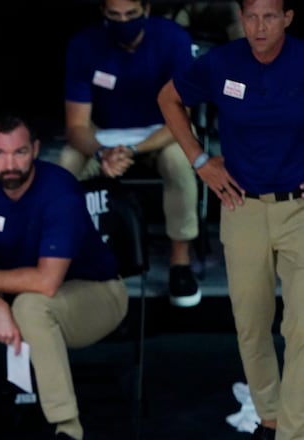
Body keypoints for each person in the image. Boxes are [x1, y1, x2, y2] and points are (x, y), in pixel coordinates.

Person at [0, 113, 129, 440]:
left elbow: (45, 282)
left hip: (98, 295)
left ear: (35, 149)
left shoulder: (60, 188)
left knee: (32, 306)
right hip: (20, 298)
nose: (9, 164)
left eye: (19, 152)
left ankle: (67, 427)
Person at [157, 1, 303, 439]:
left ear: (288, 18)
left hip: (298, 208)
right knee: (251, 324)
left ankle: (292, 431)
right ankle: (270, 419)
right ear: (241, 17)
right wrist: (199, 159)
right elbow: (168, 98)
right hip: (242, 205)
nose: (259, 27)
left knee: (301, 327)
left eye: (270, 16)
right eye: (251, 16)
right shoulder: (222, 62)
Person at [58, 0, 202, 308]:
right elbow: (76, 126)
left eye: (131, 14)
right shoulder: (84, 45)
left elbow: (180, 119)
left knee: (179, 162)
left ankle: (180, 262)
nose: (123, 21)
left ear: (146, 10)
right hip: (104, 134)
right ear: (103, 12)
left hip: (160, 132)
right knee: (66, 165)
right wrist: (102, 153)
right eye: (115, 15)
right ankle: (64, 256)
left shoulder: (173, 39)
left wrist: (133, 150)